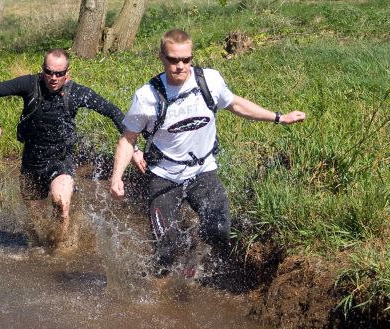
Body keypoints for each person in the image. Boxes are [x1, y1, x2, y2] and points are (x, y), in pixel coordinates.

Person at [110, 29, 306, 279]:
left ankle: (196, 259)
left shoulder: (209, 81)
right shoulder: (147, 96)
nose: (180, 66)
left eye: (186, 59)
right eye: (173, 60)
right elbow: (129, 138)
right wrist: (117, 177)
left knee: (220, 231)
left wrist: (279, 117)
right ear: (161, 57)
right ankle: (159, 291)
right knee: (166, 250)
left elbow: (235, 104)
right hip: (164, 177)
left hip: (203, 171)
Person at [0, 49, 125, 248]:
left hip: (60, 159)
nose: (53, 78)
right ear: (43, 71)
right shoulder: (30, 84)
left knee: (60, 202)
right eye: (49, 72)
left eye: (59, 73)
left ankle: (60, 247)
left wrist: (132, 147)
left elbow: (112, 111)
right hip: (32, 161)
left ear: (68, 72)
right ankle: (42, 248)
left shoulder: (76, 93)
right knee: (38, 225)